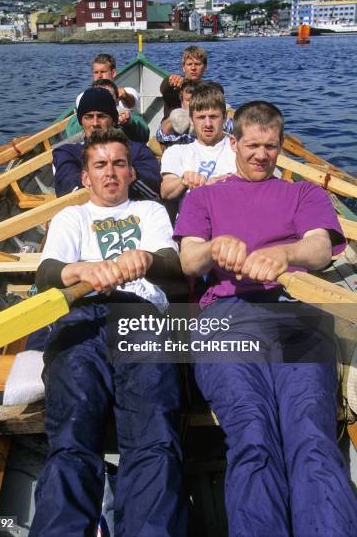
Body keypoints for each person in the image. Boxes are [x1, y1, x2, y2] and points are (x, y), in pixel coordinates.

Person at [174, 101, 357, 536]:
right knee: (253, 433)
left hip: (296, 311)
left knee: (310, 435)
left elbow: (318, 246)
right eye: (252, 144)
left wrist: (285, 253)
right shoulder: (203, 198)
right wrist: (215, 248)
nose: (261, 155)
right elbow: (187, 261)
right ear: (233, 142)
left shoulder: (303, 193)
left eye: (271, 147)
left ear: (280, 148)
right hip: (226, 316)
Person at [30, 129, 188, 536]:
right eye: (100, 165)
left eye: (119, 164)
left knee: (154, 436)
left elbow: (173, 267)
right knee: (72, 435)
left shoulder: (151, 213)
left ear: (132, 172)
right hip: (81, 319)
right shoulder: (71, 217)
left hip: (139, 317)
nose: (110, 172)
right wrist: (80, 270)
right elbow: (47, 275)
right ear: (85, 177)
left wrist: (146, 259)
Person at [53, 87, 161, 200]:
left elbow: (155, 188)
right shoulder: (65, 152)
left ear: (114, 120)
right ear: (81, 121)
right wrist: (121, 174)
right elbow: (65, 188)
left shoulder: (137, 150)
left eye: (101, 116)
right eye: (88, 117)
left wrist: (135, 174)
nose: (95, 123)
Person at [160, 83, 236, 202]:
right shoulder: (176, 152)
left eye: (214, 117)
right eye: (201, 117)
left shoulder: (239, 150)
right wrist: (184, 181)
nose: (208, 124)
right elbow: (165, 192)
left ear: (225, 117)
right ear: (191, 119)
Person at [156, 80, 234, 146]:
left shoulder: (220, 119)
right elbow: (161, 136)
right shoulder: (177, 119)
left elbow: (235, 128)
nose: (192, 104)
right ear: (181, 100)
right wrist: (173, 119)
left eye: (196, 99)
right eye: (188, 100)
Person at [160, 46, 207, 118]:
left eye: (197, 64)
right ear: (183, 67)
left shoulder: (210, 89)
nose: (193, 68)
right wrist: (171, 80)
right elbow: (164, 87)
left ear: (205, 67)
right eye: (189, 64)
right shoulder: (175, 86)